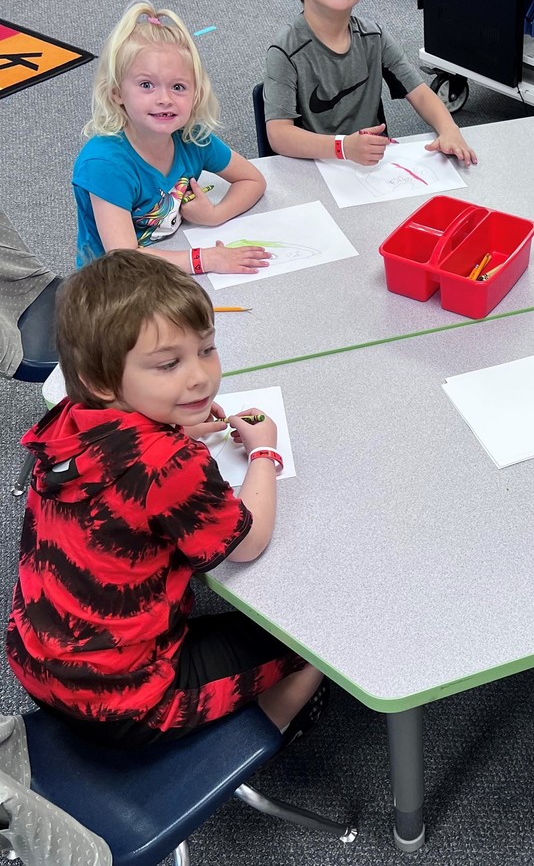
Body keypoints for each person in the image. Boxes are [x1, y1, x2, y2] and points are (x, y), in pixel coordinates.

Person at [6, 249, 325, 748]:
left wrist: (169, 421)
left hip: (37, 661)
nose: (199, 377)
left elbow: (122, 481)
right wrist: (265, 453)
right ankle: (266, 730)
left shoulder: (69, 415)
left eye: (206, 349)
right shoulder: (169, 465)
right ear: (104, 380)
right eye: (168, 364)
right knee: (318, 644)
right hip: (125, 703)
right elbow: (249, 540)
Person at [73, 1, 269, 275]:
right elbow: (125, 257)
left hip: (168, 255)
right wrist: (205, 260)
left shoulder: (192, 137)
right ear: (117, 93)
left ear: (196, 94)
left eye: (178, 87)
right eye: (146, 85)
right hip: (110, 284)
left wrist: (215, 214)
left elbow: (253, 179)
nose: (164, 99)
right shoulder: (105, 163)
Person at [263, 0, 477, 167]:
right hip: (317, 166)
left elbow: (419, 93)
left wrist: (449, 129)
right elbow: (278, 134)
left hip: (371, 167)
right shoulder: (285, 51)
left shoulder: (374, 38)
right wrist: (343, 147)